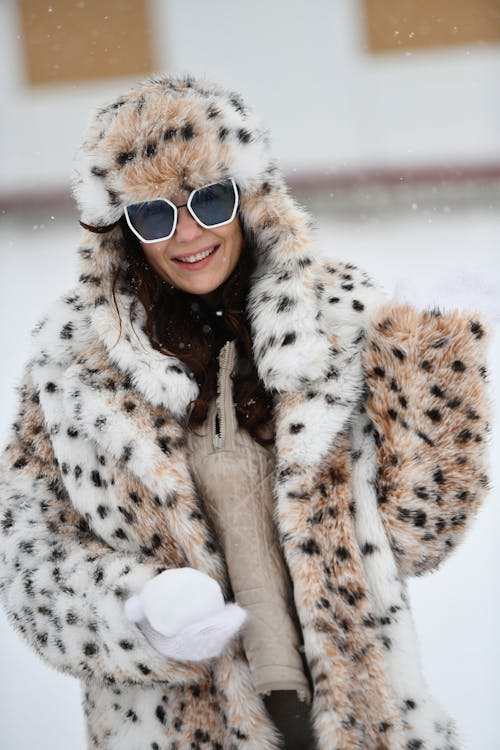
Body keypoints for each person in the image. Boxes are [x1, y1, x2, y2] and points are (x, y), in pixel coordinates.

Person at [0, 74, 492, 750]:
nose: (187, 232)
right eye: (153, 214)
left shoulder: (338, 320)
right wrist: (136, 610)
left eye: (208, 198)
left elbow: (418, 534)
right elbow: (28, 562)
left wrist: (437, 378)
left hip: (354, 722)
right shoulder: (74, 372)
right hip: (173, 731)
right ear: (122, 230)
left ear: (248, 196)